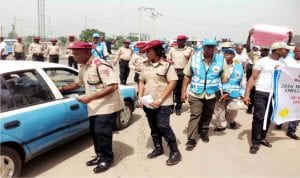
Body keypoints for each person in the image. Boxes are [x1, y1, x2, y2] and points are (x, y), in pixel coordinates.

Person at [60, 41, 124, 173]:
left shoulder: (101, 65)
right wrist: (61, 89)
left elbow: (113, 86)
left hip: (107, 105)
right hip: (94, 105)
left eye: (76, 54)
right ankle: (100, 155)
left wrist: (90, 98)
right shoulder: (83, 66)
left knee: (102, 132)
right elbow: (78, 83)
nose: (74, 57)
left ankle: (107, 158)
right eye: (73, 54)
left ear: (87, 53)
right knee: (94, 132)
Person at [138, 40, 182, 165]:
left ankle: (175, 152)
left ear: (157, 51)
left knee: (163, 125)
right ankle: (158, 148)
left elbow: (173, 82)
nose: (145, 53)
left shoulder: (167, 65)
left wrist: (160, 100)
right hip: (148, 102)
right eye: (145, 51)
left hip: (164, 102)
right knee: (153, 126)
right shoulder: (145, 65)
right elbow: (141, 81)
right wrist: (140, 97)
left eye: (148, 51)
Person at [181, 39, 229, 149]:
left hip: (212, 93)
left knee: (208, 114)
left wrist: (225, 90)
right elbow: (187, 76)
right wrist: (183, 91)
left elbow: (225, 77)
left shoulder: (221, 60)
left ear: (215, 48)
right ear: (203, 47)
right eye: (207, 46)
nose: (209, 49)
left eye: (212, 47)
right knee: (195, 114)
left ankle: (204, 131)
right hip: (195, 92)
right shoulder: (194, 58)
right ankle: (191, 139)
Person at [243, 42, 288, 154]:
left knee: (268, 117)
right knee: (259, 116)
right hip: (262, 92)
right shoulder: (262, 61)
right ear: (277, 50)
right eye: (284, 50)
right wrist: (246, 94)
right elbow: (253, 78)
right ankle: (255, 142)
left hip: (275, 94)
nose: (286, 52)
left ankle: (262, 137)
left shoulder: (283, 63)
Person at [213, 48, 244, 132]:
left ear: (234, 55)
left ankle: (231, 120)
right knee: (219, 109)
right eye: (225, 52)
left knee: (233, 109)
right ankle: (221, 125)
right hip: (220, 90)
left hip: (234, 91)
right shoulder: (218, 65)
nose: (226, 54)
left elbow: (242, 80)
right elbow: (214, 78)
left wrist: (242, 92)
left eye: (229, 53)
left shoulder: (239, 66)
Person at [245, 29, 270, 114]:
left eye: (267, 50)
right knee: (252, 95)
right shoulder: (255, 56)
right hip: (255, 81)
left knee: (261, 99)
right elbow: (248, 48)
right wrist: (249, 36)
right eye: (264, 50)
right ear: (261, 50)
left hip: (266, 83)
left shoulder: (272, 59)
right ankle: (250, 107)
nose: (265, 51)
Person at [167, 35, 193, 115]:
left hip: (184, 72)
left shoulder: (189, 50)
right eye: (178, 40)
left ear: (185, 41)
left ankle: (178, 107)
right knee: (171, 90)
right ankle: (170, 107)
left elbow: (193, 61)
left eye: (181, 41)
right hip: (173, 71)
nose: (179, 42)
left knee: (180, 91)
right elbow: (168, 60)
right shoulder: (172, 49)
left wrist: (189, 58)